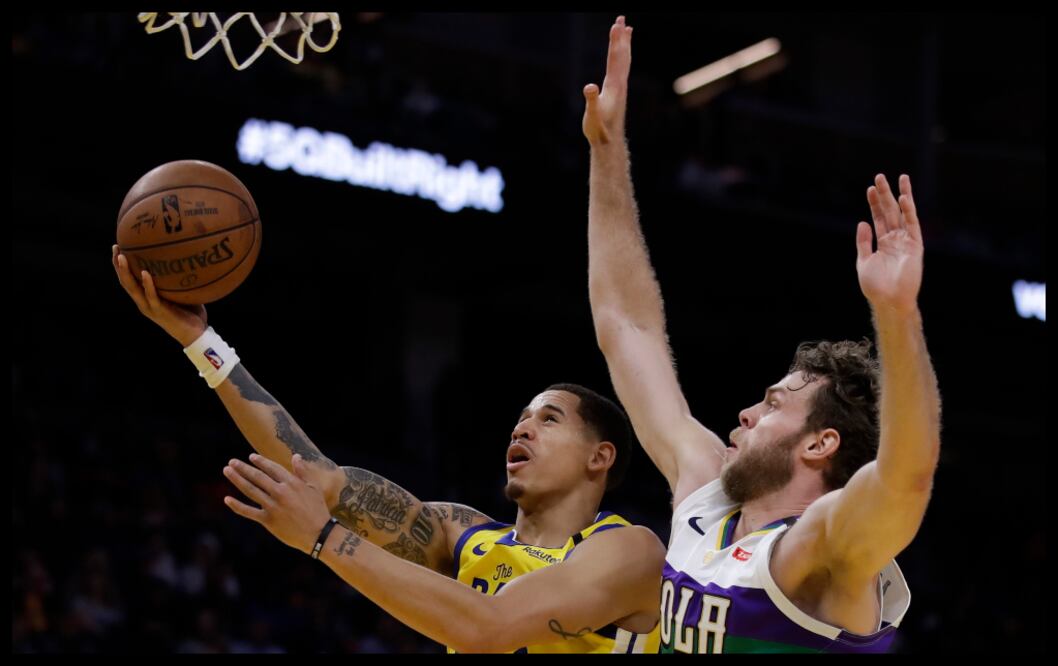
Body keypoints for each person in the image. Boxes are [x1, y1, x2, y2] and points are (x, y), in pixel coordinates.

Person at [582, 16, 939, 653]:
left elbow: (905, 477)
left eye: (774, 404)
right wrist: (608, 151)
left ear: (820, 443)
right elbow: (626, 326)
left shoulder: (824, 550)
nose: (745, 413)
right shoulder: (705, 494)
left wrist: (896, 314)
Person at [111, 245, 663, 653]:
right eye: (520, 419)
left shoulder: (628, 551)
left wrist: (325, 539)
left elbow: (487, 626)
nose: (522, 430)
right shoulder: (460, 534)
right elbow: (315, 475)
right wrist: (200, 343)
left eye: (548, 419)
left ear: (601, 457)